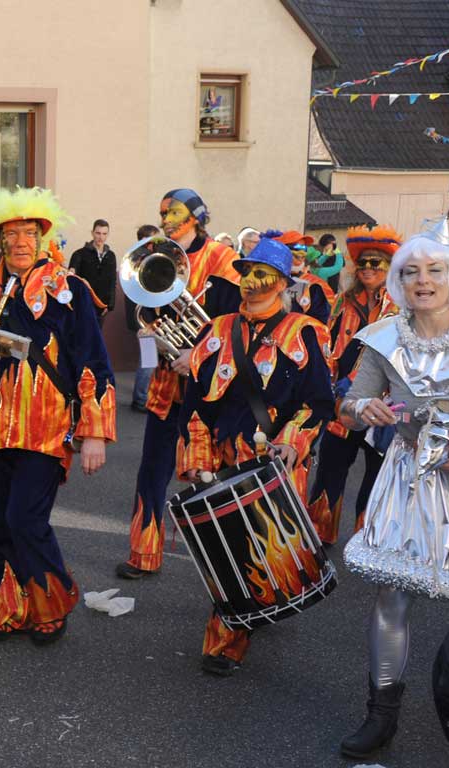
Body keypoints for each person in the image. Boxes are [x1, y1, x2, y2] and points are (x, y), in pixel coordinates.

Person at [338, 223, 449, 759]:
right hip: (410, 478)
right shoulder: (385, 337)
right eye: (411, 271)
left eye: (434, 270)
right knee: (392, 596)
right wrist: (363, 408)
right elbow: (349, 407)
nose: (423, 281)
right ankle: (381, 716)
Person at [0, 187, 116, 644]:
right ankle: (12, 609)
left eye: (29, 233)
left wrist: (94, 433)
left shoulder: (69, 291)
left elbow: (93, 362)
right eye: (11, 234)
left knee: (25, 521)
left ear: (42, 237)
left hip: (46, 429)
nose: (20, 242)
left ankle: (52, 605)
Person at [177, 238, 334, 675]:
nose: (250, 282)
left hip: (273, 463)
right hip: (224, 456)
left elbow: (318, 403)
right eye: (246, 272)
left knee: (261, 551)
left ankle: (252, 615)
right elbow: (195, 403)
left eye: (261, 274)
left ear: (282, 283)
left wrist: (292, 441)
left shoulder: (304, 332)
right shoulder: (217, 329)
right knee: (228, 550)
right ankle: (226, 642)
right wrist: (198, 453)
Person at [115, 188, 241, 579]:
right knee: (151, 472)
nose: (166, 220)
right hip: (167, 389)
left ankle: (228, 570)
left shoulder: (223, 259)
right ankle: (143, 554)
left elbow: (236, 325)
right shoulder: (157, 254)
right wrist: (150, 341)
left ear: (196, 218)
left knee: (211, 477)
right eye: (163, 213)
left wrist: (198, 354)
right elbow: (142, 314)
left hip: (210, 393)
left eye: (174, 213)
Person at [308, 225, 401, 545]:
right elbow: (330, 345)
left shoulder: (403, 306)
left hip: (385, 404)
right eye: (362, 263)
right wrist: (330, 388)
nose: (367, 268)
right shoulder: (344, 302)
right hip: (344, 400)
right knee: (331, 466)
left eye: (376, 263)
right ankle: (321, 533)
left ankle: (365, 540)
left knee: (377, 475)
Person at [124, 224, 161, 412]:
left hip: (147, 317)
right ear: (147, 241)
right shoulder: (140, 261)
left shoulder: (140, 258)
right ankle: (140, 399)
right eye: (155, 239)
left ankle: (142, 397)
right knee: (148, 361)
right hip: (145, 319)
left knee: (149, 360)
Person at [273, 230, 335, 325]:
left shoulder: (314, 285)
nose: (301, 252)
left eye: (304, 248)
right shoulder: (269, 279)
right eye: (297, 247)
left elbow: (322, 319)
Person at [69, 219, 117, 328]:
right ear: (92, 233)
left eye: (104, 234)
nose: (101, 237)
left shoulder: (111, 256)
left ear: (108, 234)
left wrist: (110, 305)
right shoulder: (79, 254)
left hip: (101, 306)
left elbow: (112, 281)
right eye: (98, 233)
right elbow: (72, 277)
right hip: (83, 305)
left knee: (97, 334)